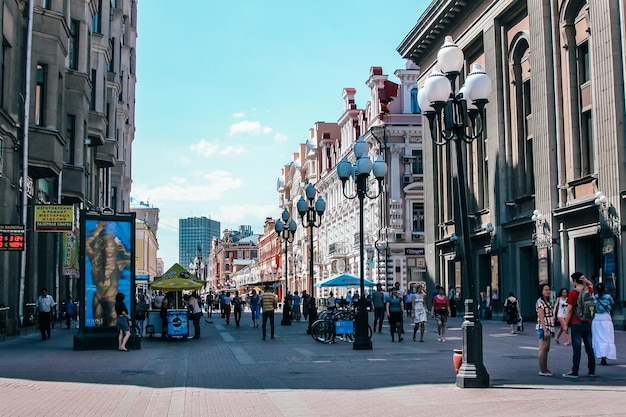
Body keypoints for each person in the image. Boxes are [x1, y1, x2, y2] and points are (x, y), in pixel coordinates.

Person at [85, 221, 131, 327]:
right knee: (99, 325)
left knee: (113, 326)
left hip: (112, 302)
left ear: (115, 247)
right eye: (106, 246)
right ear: (103, 248)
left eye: (112, 246)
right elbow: (87, 244)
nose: (109, 249)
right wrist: (97, 232)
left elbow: (130, 259)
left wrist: (122, 246)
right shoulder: (96, 260)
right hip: (98, 299)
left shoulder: (119, 263)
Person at [562, 272, 595, 378]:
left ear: (574, 281)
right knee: (589, 347)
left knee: (577, 348)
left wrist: (565, 325)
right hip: (587, 322)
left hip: (576, 323)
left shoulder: (573, 293)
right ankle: (591, 371)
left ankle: (575, 371)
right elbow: (591, 285)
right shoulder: (588, 291)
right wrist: (586, 280)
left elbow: (570, 310)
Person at [592, 282, 616, 366]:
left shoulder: (594, 297)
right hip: (606, 317)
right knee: (607, 337)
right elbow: (612, 304)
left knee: (598, 338)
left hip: (597, 318)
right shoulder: (608, 297)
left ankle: (600, 354)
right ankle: (605, 356)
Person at [536, 283, 555, 376]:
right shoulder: (540, 302)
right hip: (544, 327)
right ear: (541, 291)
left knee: (546, 349)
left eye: (548, 290)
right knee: (543, 349)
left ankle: (545, 368)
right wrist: (545, 330)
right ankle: (542, 369)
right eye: (546, 290)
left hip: (549, 326)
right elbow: (541, 317)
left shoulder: (548, 301)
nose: (548, 292)